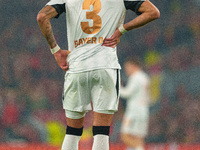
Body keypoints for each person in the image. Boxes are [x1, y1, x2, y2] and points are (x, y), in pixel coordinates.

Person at [37, 0, 159, 149]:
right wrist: (122, 30)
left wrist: (56, 51)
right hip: (105, 66)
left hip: (76, 67)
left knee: (72, 132)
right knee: (101, 133)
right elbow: (153, 12)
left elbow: (42, 17)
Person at [120, 57, 150, 150]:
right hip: (143, 111)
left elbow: (126, 93)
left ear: (133, 66)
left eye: (127, 67)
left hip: (133, 113)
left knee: (124, 135)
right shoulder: (145, 77)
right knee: (138, 137)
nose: (126, 70)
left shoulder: (135, 77)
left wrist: (117, 87)